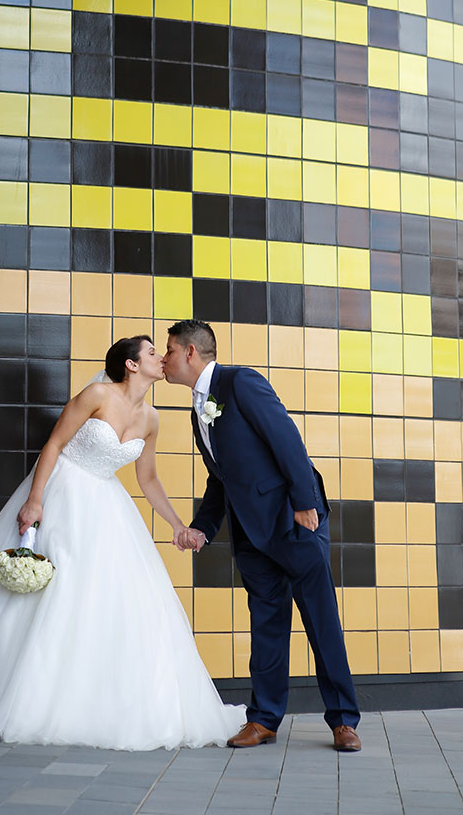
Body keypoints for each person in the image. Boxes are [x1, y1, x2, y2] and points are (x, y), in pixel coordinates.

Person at [0, 334, 244, 750]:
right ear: (131, 364)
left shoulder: (151, 418)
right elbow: (55, 444)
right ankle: (10, 699)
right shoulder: (97, 394)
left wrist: (177, 525)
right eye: (153, 352)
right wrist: (35, 500)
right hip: (64, 493)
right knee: (44, 591)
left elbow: (147, 478)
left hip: (107, 505)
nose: (161, 359)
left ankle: (88, 701)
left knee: (103, 598)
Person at [163, 319, 361, 752]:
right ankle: (264, 720)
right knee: (266, 626)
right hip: (250, 534)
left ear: (191, 353)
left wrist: (305, 501)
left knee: (320, 620)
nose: (164, 360)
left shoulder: (241, 382)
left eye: (170, 351)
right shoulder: (197, 411)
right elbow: (221, 480)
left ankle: (344, 721)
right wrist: (203, 528)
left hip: (293, 521)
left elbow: (286, 437)